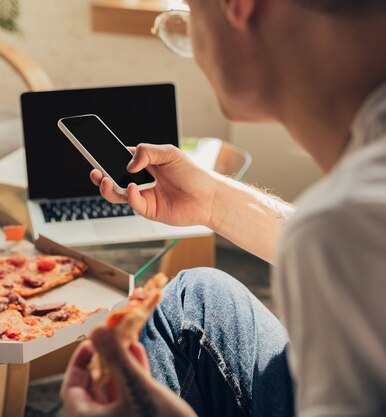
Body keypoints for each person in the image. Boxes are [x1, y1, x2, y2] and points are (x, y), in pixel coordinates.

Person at [60, 0, 386, 416]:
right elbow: (350, 252)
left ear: (239, 7)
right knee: (195, 298)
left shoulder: (348, 221)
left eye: (189, 11)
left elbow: (343, 239)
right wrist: (213, 201)